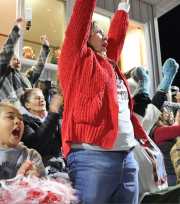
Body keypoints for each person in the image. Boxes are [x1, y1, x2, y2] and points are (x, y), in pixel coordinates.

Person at [58, 0, 149, 203]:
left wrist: (123, 8)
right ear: (86, 37)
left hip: (127, 157)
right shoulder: (75, 58)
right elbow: (81, 15)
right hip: (91, 158)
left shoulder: (109, 63)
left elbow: (116, 38)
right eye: (99, 32)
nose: (105, 36)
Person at [0, 18, 50, 108]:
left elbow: (38, 68)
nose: (18, 61)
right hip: (4, 114)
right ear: (8, 61)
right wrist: (15, 32)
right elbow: (7, 52)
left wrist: (45, 48)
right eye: (14, 59)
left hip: (22, 118)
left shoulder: (26, 78)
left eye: (19, 59)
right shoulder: (1, 73)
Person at [19, 89, 67, 177]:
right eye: (37, 98)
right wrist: (53, 114)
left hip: (57, 166)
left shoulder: (50, 119)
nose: (42, 100)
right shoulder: (23, 121)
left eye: (43, 98)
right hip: (36, 170)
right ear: (27, 105)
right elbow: (35, 144)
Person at [131, 58, 179, 134]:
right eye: (168, 113)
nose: (169, 114)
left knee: (143, 96)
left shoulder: (157, 131)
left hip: (136, 119)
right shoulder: (157, 130)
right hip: (142, 117)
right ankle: (143, 80)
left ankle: (143, 80)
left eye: (167, 113)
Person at [149, 92, 180, 187]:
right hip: (172, 176)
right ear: (159, 114)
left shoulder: (164, 129)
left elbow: (176, 124)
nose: (170, 112)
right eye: (166, 110)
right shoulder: (158, 131)